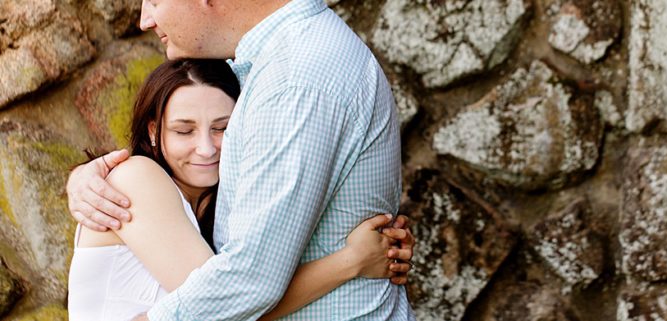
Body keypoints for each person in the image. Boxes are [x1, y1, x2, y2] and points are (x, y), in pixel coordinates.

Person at [65, 0, 415, 320]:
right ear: (154, 132)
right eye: (184, 130)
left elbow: (241, 289)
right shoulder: (137, 184)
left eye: (223, 128)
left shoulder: (293, 80)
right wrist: (350, 261)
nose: (144, 19)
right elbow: (239, 295)